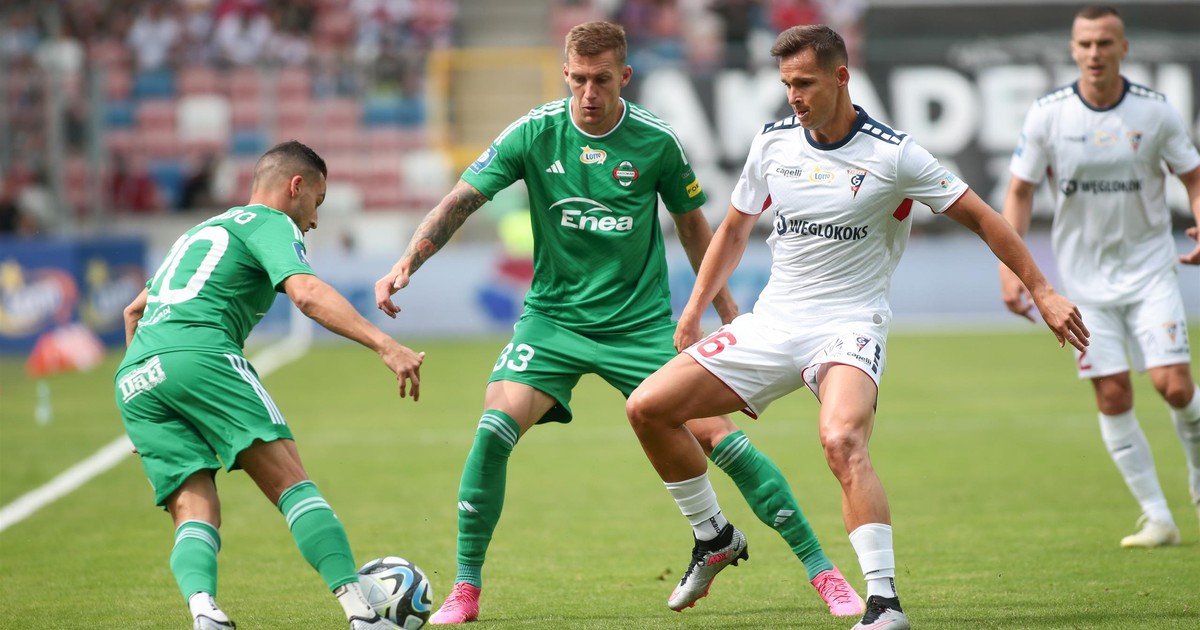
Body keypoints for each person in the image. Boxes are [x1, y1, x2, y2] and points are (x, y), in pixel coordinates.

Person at [374, 19, 864, 625]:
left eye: (601, 79)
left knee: (722, 440)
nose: (588, 92)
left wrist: (728, 312)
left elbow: (694, 227)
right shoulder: (533, 133)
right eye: (577, 79)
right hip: (552, 321)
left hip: (640, 326)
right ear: (565, 75)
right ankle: (466, 590)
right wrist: (407, 261)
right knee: (493, 430)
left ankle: (824, 573)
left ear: (623, 77)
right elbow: (462, 200)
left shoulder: (656, 142)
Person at [624, 24, 1090, 630]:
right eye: (787, 83)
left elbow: (984, 219)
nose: (794, 95)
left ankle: (884, 603)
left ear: (841, 77)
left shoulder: (895, 155)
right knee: (647, 407)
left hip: (849, 323)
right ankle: (713, 536)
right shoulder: (772, 144)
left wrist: (1043, 288)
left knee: (842, 440)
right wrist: (695, 309)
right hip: (775, 321)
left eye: (806, 83)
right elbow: (734, 230)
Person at [115, 140, 425, 630]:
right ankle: (363, 614)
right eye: (317, 203)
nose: (315, 221)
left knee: (194, 508)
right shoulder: (270, 221)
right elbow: (305, 293)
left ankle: (205, 613)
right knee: (291, 483)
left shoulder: (198, 231)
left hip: (137, 377)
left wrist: (146, 394)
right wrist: (384, 344)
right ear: (295, 186)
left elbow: (134, 310)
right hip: (202, 354)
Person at [1000, 5, 1200, 548]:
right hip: (1083, 284)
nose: (1095, 53)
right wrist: (1009, 267)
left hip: (1151, 272)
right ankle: (1158, 517)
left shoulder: (1156, 113)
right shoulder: (1048, 114)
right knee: (1112, 396)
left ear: (1123, 49)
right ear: (1073, 49)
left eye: (1105, 44)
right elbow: (1018, 192)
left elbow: (1193, 175)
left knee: (1174, 386)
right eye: (1086, 44)